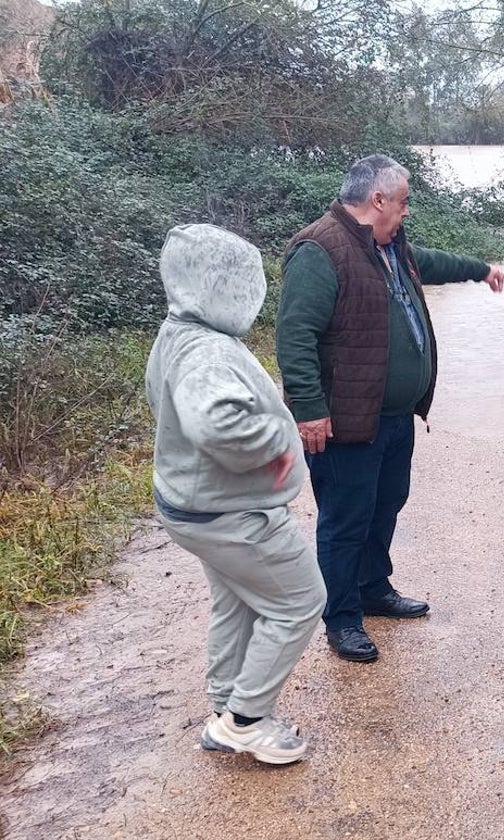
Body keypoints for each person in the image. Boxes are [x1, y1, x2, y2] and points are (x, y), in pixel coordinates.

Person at [276, 154, 504, 663]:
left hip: (393, 417)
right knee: (345, 519)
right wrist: (310, 410)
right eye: (403, 203)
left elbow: (434, 263)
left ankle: (373, 588)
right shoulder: (320, 249)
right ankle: (342, 619)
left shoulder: (391, 247)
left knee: (386, 504)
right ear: (377, 200)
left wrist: (481, 270)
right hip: (346, 422)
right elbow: (295, 336)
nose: (406, 213)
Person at [145, 224, 326, 764]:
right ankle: (246, 721)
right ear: (218, 287)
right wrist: (277, 445)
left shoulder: (176, 332)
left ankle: (226, 706)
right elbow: (217, 424)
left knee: (240, 603)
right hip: (231, 513)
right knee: (300, 602)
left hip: (195, 507)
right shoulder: (207, 353)